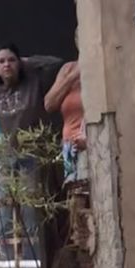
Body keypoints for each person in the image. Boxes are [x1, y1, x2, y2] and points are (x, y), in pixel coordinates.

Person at [0, 43, 64, 265]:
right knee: (2, 220)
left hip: (30, 157)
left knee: (31, 218)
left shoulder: (33, 82)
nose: (6, 65)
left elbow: (55, 63)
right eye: (1, 61)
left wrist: (26, 61)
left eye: (11, 60)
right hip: (2, 160)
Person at [46, 57, 87, 185]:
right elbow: (49, 104)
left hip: (91, 143)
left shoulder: (99, 68)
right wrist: (73, 76)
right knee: (75, 196)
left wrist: (88, 140)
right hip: (70, 147)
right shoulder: (68, 69)